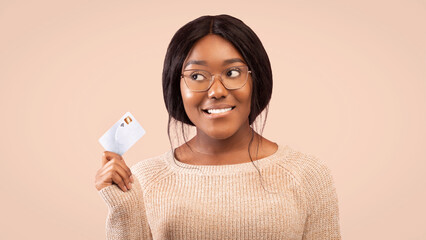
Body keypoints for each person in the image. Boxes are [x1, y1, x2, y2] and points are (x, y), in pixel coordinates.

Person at [95, 14, 341, 239]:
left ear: (257, 79)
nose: (216, 91)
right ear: (176, 86)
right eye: (197, 76)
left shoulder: (308, 175)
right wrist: (123, 208)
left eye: (233, 72)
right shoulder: (143, 179)